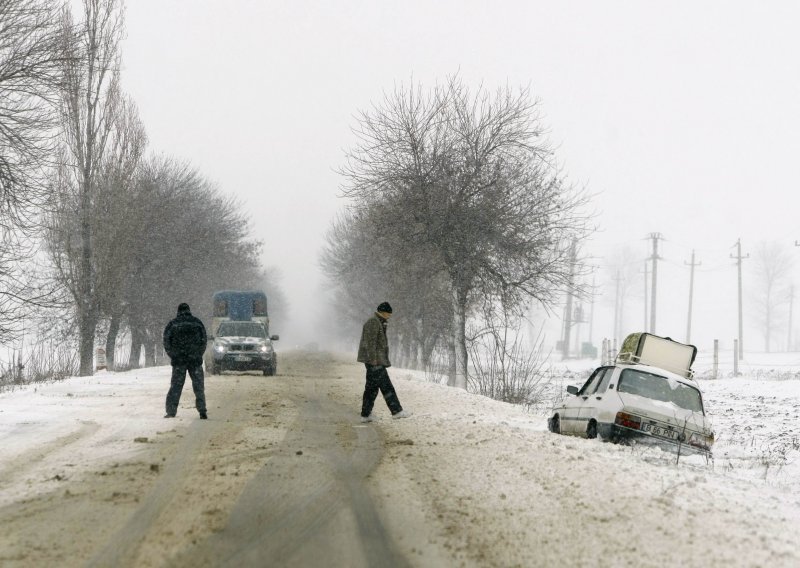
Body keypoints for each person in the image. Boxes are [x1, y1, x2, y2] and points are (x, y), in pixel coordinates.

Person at [357, 301, 410, 422]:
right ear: (383, 312)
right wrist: (373, 359)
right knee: (387, 387)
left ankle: (365, 415)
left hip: (375, 361)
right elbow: (370, 343)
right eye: (388, 314)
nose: (390, 316)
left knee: (371, 389)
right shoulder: (373, 322)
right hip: (375, 361)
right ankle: (396, 411)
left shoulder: (379, 322)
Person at [163, 303, 208, 419]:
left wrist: (173, 355)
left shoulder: (173, 324)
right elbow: (204, 340)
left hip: (179, 361)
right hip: (195, 360)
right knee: (199, 387)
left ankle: (171, 411)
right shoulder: (197, 322)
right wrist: (198, 354)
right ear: (189, 310)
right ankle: (202, 410)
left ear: (178, 311)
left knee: (175, 387)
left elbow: (166, 341)